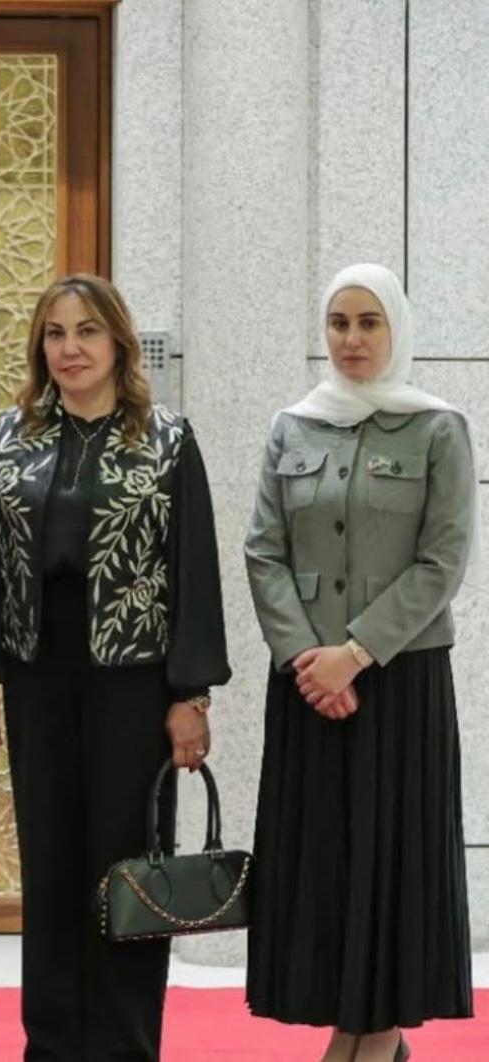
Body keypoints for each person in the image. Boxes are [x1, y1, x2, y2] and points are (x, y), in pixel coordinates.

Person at [0, 273, 231, 1062]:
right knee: (51, 865)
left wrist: (190, 694)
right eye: (55, 334)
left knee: (128, 871)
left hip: (133, 683)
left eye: (86, 333)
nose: (70, 349)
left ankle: (126, 1043)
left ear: (118, 344)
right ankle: (53, 1043)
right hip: (38, 676)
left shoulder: (168, 440)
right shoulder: (11, 436)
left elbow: (192, 571)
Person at [245, 263, 477, 1062]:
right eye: (339, 322)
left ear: (396, 330)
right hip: (307, 683)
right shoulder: (292, 426)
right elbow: (262, 552)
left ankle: (376, 1034)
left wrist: (356, 652)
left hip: (400, 678)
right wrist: (306, 657)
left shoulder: (438, 428)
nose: (350, 339)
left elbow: (443, 560)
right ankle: (350, 1025)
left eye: (368, 323)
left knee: (392, 858)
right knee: (328, 859)